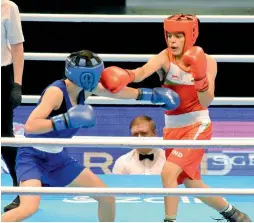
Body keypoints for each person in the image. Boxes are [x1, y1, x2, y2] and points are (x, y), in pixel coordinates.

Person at [99, 14, 251, 222]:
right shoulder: (164, 57)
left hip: (197, 124)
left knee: (168, 172)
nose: (172, 41)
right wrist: (127, 76)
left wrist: (200, 78)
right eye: (169, 35)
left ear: (191, 36)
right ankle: (234, 214)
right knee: (191, 183)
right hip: (172, 128)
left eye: (179, 36)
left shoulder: (207, 61)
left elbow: (206, 101)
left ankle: (169, 220)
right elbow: (142, 72)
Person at [1, 49, 180, 222]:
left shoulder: (85, 89)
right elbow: (31, 126)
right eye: (95, 74)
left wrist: (151, 95)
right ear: (86, 76)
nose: (98, 79)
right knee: (28, 208)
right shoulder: (55, 93)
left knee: (107, 197)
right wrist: (66, 120)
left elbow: (117, 93)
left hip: (58, 158)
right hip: (32, 156)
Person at [1, 0, 24, 212]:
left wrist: (17, 84)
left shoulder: (8, 7)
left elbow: (17, 47)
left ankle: (22, 190)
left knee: (5, 137)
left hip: (2, 75)